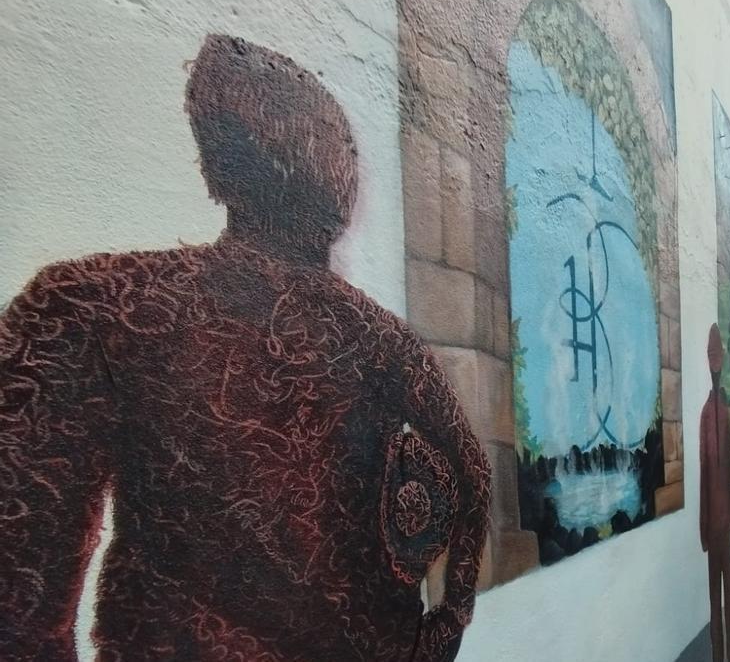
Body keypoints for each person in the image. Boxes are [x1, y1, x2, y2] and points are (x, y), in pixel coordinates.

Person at [0, 34, 489, 661]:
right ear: (337, 187)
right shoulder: (379, 336)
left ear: (219, 159)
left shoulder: (96, 303)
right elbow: (471, 469)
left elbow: (25, 586)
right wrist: (446, 623)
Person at [699, 324, 730, 662]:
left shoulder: (722, 410)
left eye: (718, 359)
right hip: (713, 524)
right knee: (715, 597)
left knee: (729, 596)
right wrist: (703, 530)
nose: (715, 365)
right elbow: (703, 477)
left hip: (725, 522)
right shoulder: (706, 413)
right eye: (711, 359)